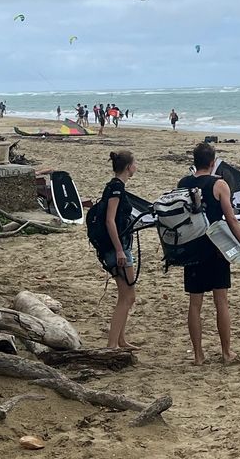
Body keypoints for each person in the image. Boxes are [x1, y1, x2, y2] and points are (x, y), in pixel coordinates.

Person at [178, 142, 240, 364]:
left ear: (195, 161)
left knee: (195, 303)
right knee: (221, 301)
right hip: (216, 247)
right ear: (212, 162)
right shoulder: (219, 184)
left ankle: (198, 355)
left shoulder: (183, 183)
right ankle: (226, 352)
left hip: (192, 247)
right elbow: (230, 218)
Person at [99, 150, 139, 350]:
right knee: (127, 297)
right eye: (135, 163)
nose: (136, 166)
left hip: (120, 246)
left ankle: (121, 340)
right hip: (118, 248)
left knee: (126, 295)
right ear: (128, 167)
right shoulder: (116, 188)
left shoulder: (116, 187)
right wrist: (119, 251)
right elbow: (109, 220)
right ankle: (112, 344)